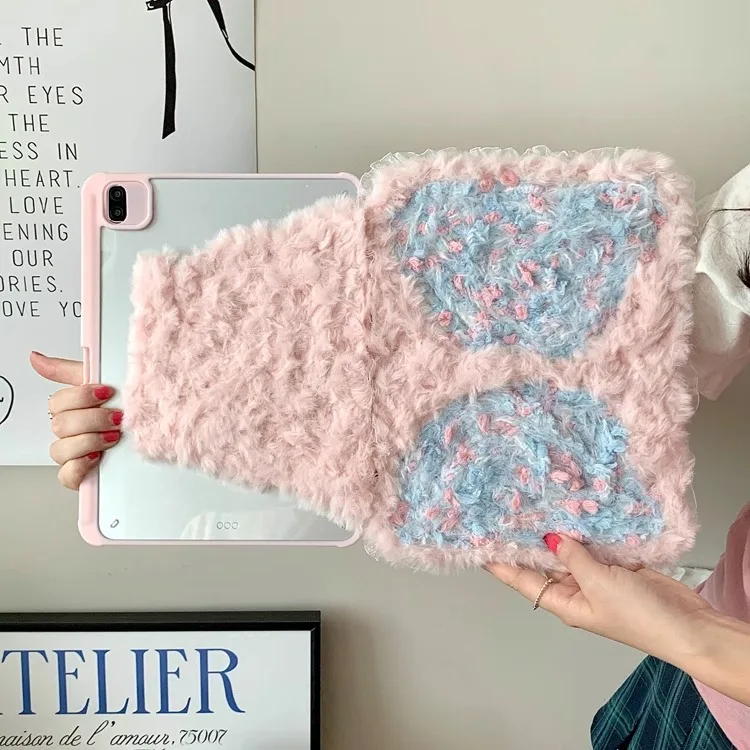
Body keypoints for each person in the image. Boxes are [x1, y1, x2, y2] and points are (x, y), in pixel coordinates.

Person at [32, 164, 750, 750]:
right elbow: (675, 316)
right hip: (701, 678)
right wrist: (170, 381)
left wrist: (700, 639)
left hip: (704, 658)